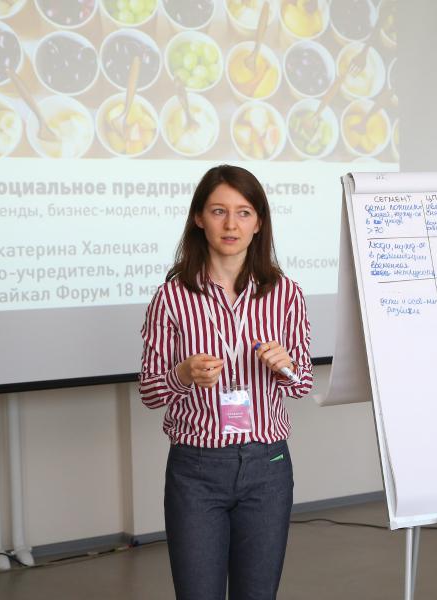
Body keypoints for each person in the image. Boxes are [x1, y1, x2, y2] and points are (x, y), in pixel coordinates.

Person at [139, 165, 313, 600]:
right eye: (219, 211)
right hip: (196, 470)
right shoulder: (172, 297)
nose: (231, 224)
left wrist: (286, 366)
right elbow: (150, 392)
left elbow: (302, 384)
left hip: (268, 466)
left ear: (259, 223)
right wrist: (182, 374)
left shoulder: (285, 293)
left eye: (243, 212)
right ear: (200, 218)